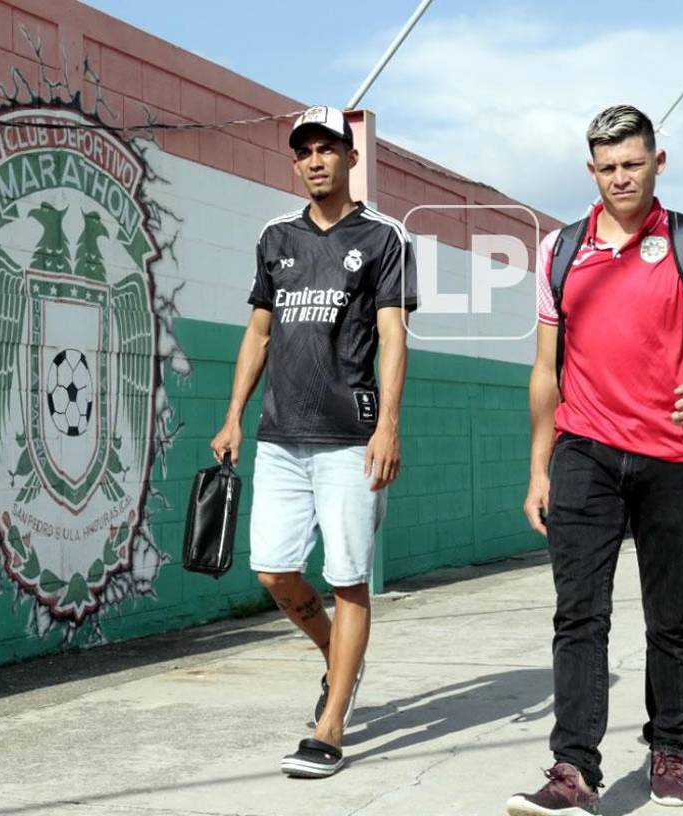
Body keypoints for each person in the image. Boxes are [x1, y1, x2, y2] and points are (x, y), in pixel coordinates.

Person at [507, 105, 683, 815]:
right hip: (585, 448)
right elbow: (545, 372)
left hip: (674, 453)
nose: (621, 176)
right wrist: (538, 466)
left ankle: (668, 750)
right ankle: (572, 769)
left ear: (658, 162)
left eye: (633, 163)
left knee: (668, 615)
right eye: (608, 166)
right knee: (578, 613)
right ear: (592, 169)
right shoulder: (560, 249)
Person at [210, 105, 416, 779]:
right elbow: (259, 333)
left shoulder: (384, 239)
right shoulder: (275, 238)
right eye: (305, 152)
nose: (316, 160)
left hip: (349, 439)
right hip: (278, 437)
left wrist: (387, 425)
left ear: (351, 158)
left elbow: (392, 337)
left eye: (329, 149)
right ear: (296, 163)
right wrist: (233, 415)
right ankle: (341, 661)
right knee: (272, 571)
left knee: (348, 578)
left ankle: (330, 727)